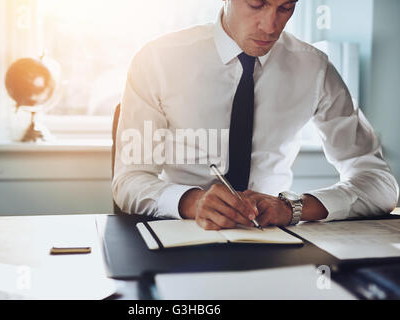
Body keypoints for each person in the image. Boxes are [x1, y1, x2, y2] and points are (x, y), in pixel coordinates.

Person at [112, 0, 399, 230]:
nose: (270, 26)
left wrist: (293, 208)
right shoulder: (158, 60)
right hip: (179, 232)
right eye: (257, 4)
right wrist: (191, 201)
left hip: (273, 237)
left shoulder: (314, 68)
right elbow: (129, 181)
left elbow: (380, 184)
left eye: (285, 8)